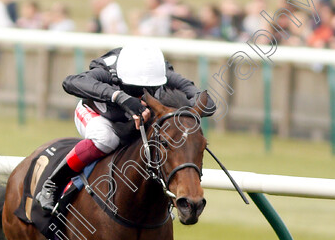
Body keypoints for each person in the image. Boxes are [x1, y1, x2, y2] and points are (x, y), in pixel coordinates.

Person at [34, 41, 216, 212]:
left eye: (149, 88)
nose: (141, 93)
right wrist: (120, 97)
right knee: (106, 139)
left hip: (136, 121)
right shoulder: (108, 69)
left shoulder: (160, 71)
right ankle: (53, 184)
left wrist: (189, 110)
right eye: (134, 88)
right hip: (99, 114)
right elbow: (71, 82)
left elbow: (204, 100)